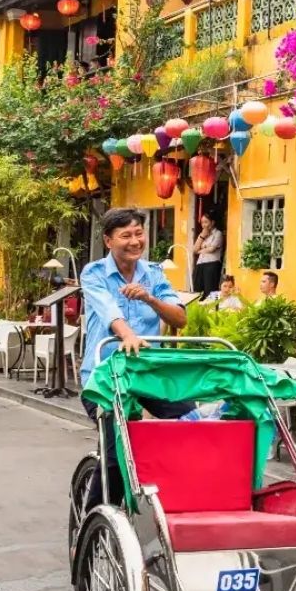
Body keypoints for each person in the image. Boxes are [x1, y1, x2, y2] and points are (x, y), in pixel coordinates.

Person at [80, 208, 187, 509]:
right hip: (105, 379)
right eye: (125, 235)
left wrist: (149, 298)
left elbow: (180, 318)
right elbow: (109, 310)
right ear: (108, 240)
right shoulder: (94, 273)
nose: (134, 241)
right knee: (116, 455)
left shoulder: (154, 273)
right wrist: (127, 335)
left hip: (148, 376)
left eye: (139, 233)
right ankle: (93, 524)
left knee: (190, 420)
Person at [192, 216, 225, 296]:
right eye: (202, 222)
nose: (203, 225)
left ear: (212, 222)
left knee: (210, 291)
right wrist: (202, 236)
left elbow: (211, 249)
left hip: (212, 264)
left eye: (206, 222)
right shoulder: (202, 234)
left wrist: (200, 251)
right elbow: (194, 250)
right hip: (200, 264)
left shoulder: (218, 233)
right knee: (197, 291)